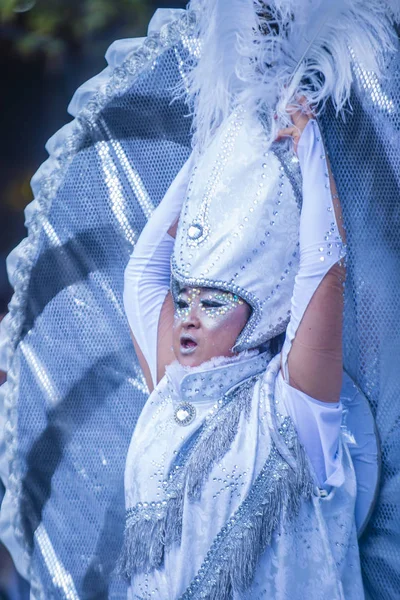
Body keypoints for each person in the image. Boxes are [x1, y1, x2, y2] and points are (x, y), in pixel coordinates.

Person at [120, 99, 362, 598]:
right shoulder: (165, 394)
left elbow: (324, 271)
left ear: (262, 316)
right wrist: (212, 145)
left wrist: (310, 148)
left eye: (213, 303)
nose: (188, 315)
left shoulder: (288, 409)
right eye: (184, 299)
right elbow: (143, 269)